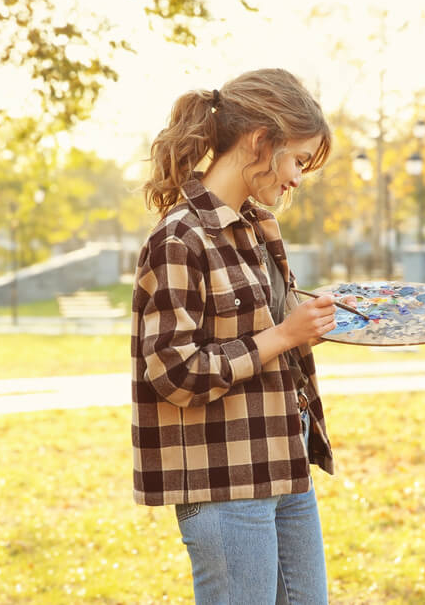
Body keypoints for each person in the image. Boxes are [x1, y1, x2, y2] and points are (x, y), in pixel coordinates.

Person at [131, 68, 348, 604]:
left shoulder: (259, 226)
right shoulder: (178, 238)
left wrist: (308, 327)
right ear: (260, 142)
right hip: (224, 481)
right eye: (297, 159)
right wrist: (283, 335)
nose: (297, 178)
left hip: (284, 457)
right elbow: (173, 371)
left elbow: (265, 329)